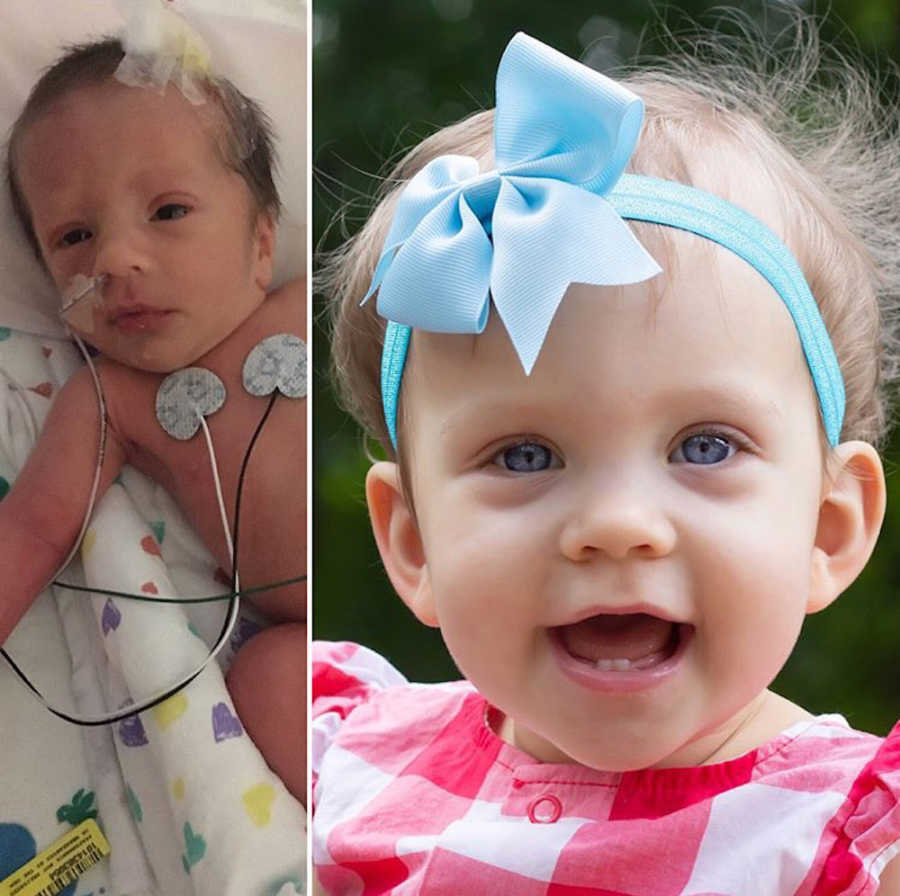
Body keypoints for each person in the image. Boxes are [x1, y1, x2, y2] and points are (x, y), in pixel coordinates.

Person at [313, 20, 900, 894]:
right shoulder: (336, 759)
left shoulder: (850, 838)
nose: (617, 525)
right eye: (522, 456)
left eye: (705, 446)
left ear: (827, 526)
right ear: (413, 542)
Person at [3, 36, 306, 800]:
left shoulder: (306, 310)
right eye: (75, 236)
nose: (116, 261)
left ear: (262, 241)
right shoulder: (109, 397)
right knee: (268, 682)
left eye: (167, 211)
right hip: (301, 633)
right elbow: (30, 531)